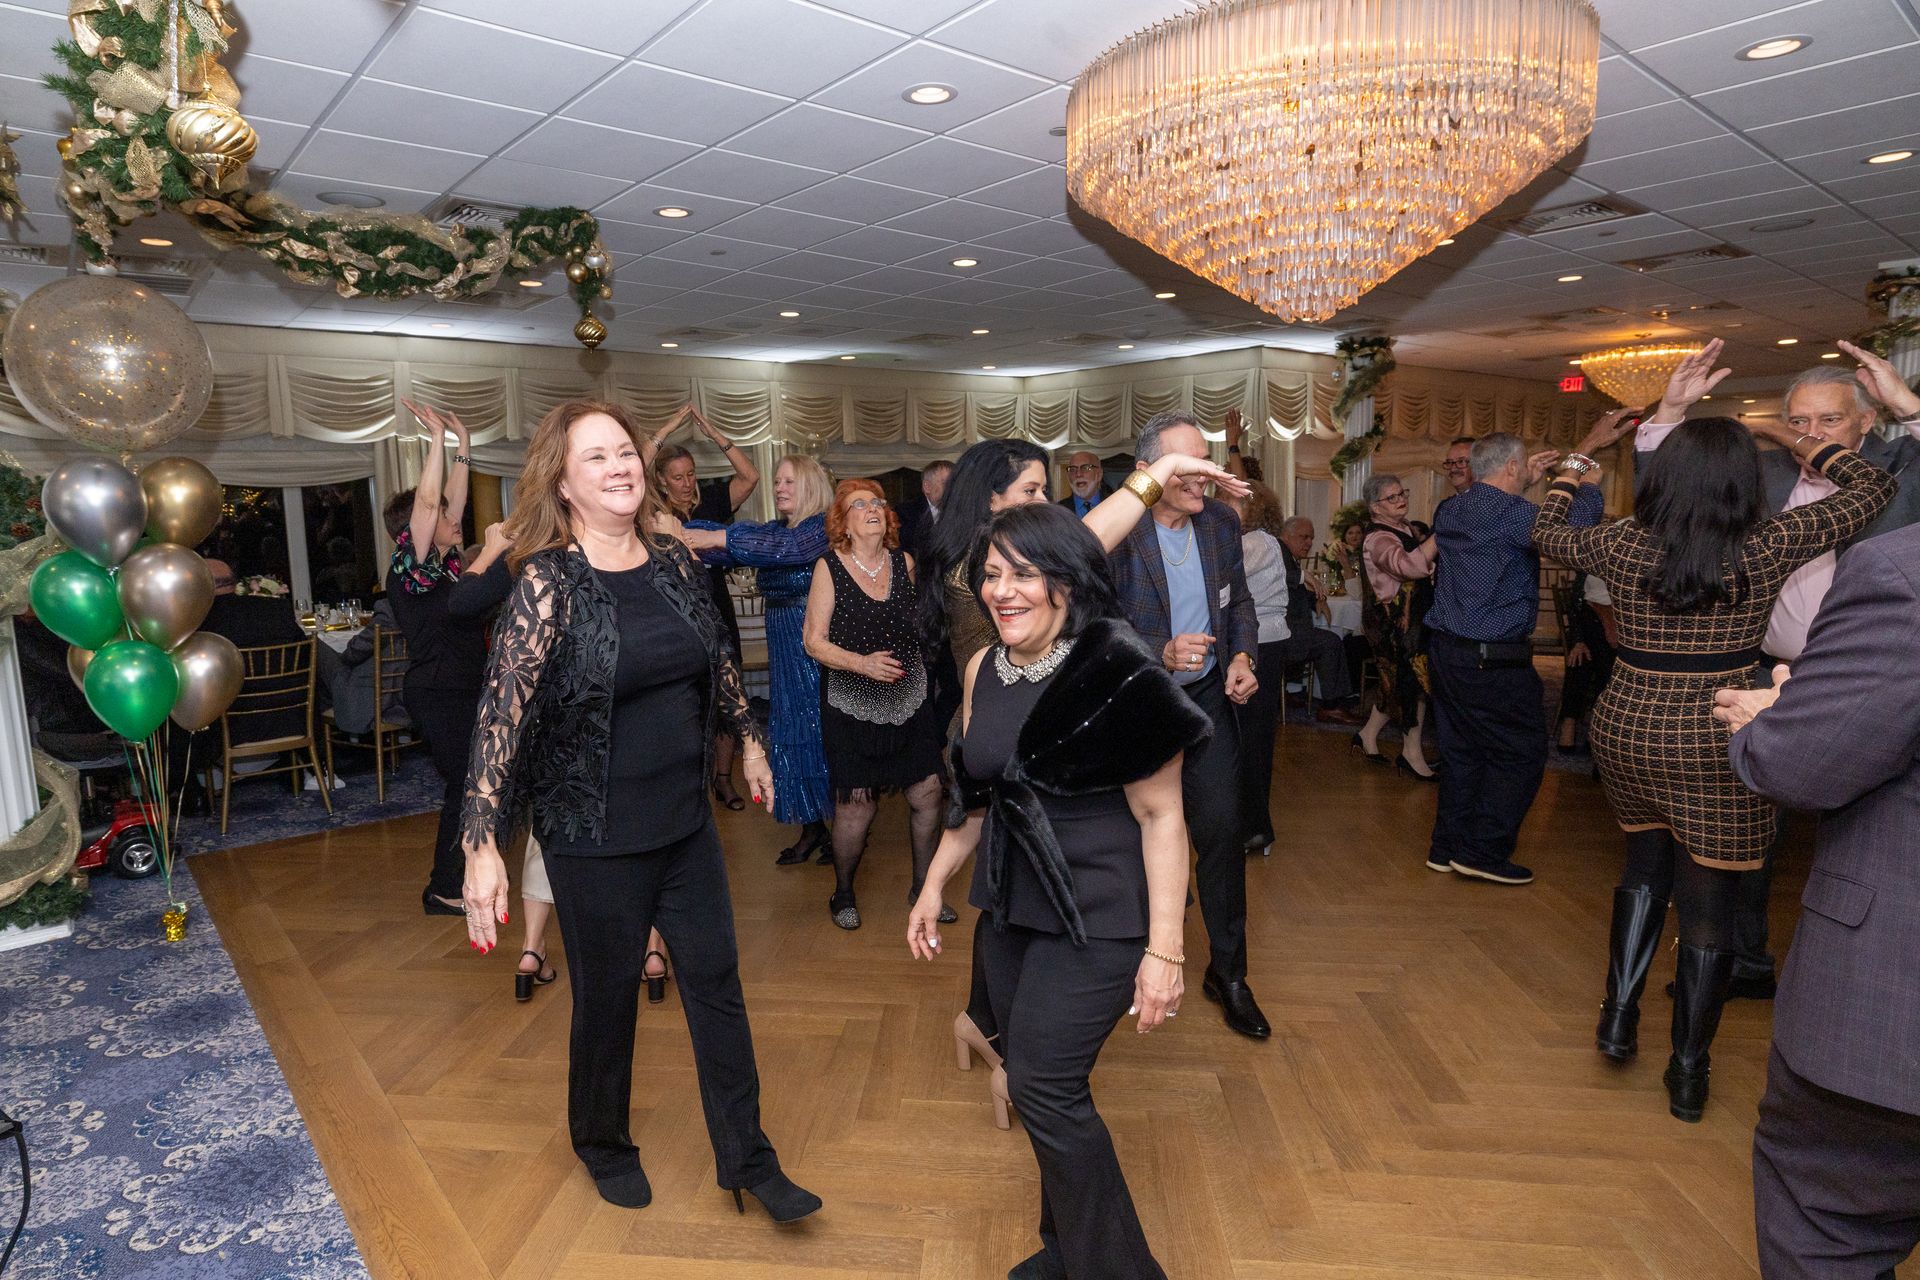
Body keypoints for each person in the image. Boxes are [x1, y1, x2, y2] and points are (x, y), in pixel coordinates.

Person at [457, 399, 818, 1221]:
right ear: (564, 483)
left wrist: (748, 737)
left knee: (717, 987)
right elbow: (497, 722)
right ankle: (603, 1142)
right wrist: (482, 846)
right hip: (592, 836)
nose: (620, 466)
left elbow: (717, 659)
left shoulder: (673, 561)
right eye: (598, 458)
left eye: (625, 451)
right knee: (608, 998)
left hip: (686, 822)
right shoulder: (548, 584)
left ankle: (748, 1159)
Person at [1534, 399, 1892, 1123]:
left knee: (1642, 870)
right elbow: (1874, 489)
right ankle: (1688, 1072)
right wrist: (1792, 437)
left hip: (1628, 720)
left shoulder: (1622, 544)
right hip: (1719, 725)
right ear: (1741, 480)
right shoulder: (1768, 542)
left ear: (1665, 477)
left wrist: (1575, 467)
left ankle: (1616, 1019)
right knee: (1710, 903)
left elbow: (1545, 531)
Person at [908, 503, 1203, 1280]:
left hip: (1100, 913)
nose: (1002, 591)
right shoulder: (984, 668)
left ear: (1066, 584)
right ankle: (1066, 1254)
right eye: (992, 575)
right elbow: (978, 794)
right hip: (1013, 908)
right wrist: (932, 882)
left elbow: (1162, 816)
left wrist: (1164, 952)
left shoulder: (1118, 670)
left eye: (1023, 574)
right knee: (1037, 1083)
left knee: (1043, 1087)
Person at [918, 436, 1249, 1103]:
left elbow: (1160, 816)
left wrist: (1165, 947)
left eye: (1047, 492)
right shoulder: (978, 576)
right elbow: (1084, 544)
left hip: (1050, 767)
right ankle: (1007, 1044)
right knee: (1012, 904)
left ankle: (1011, 1046)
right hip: (1003, 736)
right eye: (1034, 492)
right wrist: (1157, 474)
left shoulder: (1057, 614)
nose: (1051, 505)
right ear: (991, 504)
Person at [1636, 338, 1920, 1000]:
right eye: (1798, 422)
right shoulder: (1765, 478)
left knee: (1864, 830)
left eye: (1829, 420)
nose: (1811, 434)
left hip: (1864, 685)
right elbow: (1678, 494)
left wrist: (1909, 403)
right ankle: (1743, 958)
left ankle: (1856, 977)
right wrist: (1670, 414)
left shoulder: (1902, 473)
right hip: (1764, 671)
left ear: (1865, 422)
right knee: (1745, 829)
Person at [1709, 520, 1920, 1278]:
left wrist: (1774, 722)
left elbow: (1804, 765)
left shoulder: (1902, 572)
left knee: (1828, 1230)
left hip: (1893, 1028)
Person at [1107, 410, 1266, 1040]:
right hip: (1137, 708)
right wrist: (1160, 650)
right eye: (1191, 465)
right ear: (1149, 471)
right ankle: (1131, 967)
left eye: (1209, 462)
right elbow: (1094, 627)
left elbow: (1241, 604)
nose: (1206, 476)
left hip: (1205, 704)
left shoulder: (1222, 524)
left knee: (1224, 834)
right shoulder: (1119, 531)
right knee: (1130, 843)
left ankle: (1228, 974)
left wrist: (1243, 656)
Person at [1423, 417, 1626, 883]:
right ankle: (1483, 853)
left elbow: (1516, 517)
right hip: (1492, 659)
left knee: (1462, 753)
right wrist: (1585, 476)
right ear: (1513, 465)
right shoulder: (1511, 516)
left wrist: (1534, 481)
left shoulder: (1451, 510)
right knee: (1521, 752)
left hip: (1448, 653)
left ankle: (1447, 846)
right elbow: (1572, 530)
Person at [802, 479, 947, 930]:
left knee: (928, 793)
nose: (873, 508)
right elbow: (813, 642)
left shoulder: (904, 563)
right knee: (857, 806)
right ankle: (842, 891)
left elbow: (920, 624)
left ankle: (925, 888)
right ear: (843, 521)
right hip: (851, 704)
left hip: (909, 698)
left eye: (878, 502)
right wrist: (861, 663)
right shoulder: (829, 566)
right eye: (859, 504)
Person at [681, 455, 835, 865]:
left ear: (809, 485)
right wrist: (679, 531)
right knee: (793, 726)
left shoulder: (821, 527)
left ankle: (842, 825)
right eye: (777, 481)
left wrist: (715, 540)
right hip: (784, 636)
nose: (779, 487)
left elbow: (786, 549)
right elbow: (733, 538)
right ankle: (814, 825)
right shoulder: (776, 529)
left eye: (788, 481)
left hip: (814, 635)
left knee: (819, 728)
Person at [382, 400, 495, 916]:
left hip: (463, 686)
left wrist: (463, 445)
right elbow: (429, 507)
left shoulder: (444, 565)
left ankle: (465, 876)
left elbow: (449, 499)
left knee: (473, 786)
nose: (455, 518)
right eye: (443, 517)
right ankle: (445, 888)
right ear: (413, 535)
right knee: (465, 788)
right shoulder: (412, 569)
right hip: (440, 691)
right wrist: (433, 442)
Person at [651, 405, 761, 811]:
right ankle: (687, 783)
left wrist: (715, 432)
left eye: (690, 474)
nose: (685, 483)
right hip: (671, 614)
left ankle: (722, 778)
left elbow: (750, 477)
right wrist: (664, 429)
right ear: (661, 480)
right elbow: (636, 468)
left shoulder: (712, 502)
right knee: (685, 701)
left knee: (728, 694)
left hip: (714, 607)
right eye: (677, 477)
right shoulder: (649, 511)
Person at [1351, 474, 1438, 777]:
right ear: (1374, 507)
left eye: (1402, 493)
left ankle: (1366, 735)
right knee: (1412, 686)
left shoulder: (1403, 528)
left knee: (1396, 684)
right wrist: (1438, 536)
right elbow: (1409, 567)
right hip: (1392, 627)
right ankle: (1411, 754)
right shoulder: (1378, 538)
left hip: (1411, 623)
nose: (1401, 500)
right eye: (1392, 497)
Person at [1554, 572, 1616, 754]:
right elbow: (1576, 605)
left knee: (1588, 659)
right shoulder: (1588, 565)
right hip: (1588, 622)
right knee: (1582, 656)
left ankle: (1569, 723)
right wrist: (1578, 640)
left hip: (1618, 625)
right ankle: (1593, 728)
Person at [895, 458, 952, 561]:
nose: (953, 489)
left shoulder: (963, 512)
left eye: (955, 484)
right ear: (927, 487)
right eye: (946, 483)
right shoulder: (905, 513)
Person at [1433, 435, 1476, 521]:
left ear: (1478, 464)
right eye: (1449, 462)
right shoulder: (1444, 506)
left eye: (1461, 461)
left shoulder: (1490, 505)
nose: (1453, 469)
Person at [1057, 450, 1110, 517]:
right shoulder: (1057, 511)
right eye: (1073, 469)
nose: (1078, 474)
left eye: (1085, 468)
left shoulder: (1115, 504)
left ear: (1099, 474)